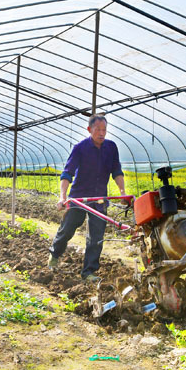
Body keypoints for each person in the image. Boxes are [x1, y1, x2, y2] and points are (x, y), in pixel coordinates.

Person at [47, 114, 126, 282]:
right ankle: (54, 255)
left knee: (96, 237)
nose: (101, 133)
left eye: (104, 130)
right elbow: (67, 174)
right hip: (79, 198)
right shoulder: (80, 148)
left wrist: (122, 192)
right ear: (89, 129)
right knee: (67, 229)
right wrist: (63, 197)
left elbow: (117, 171)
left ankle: (88, 271)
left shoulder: (111, 147)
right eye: (98, 129)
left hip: (99, 199)